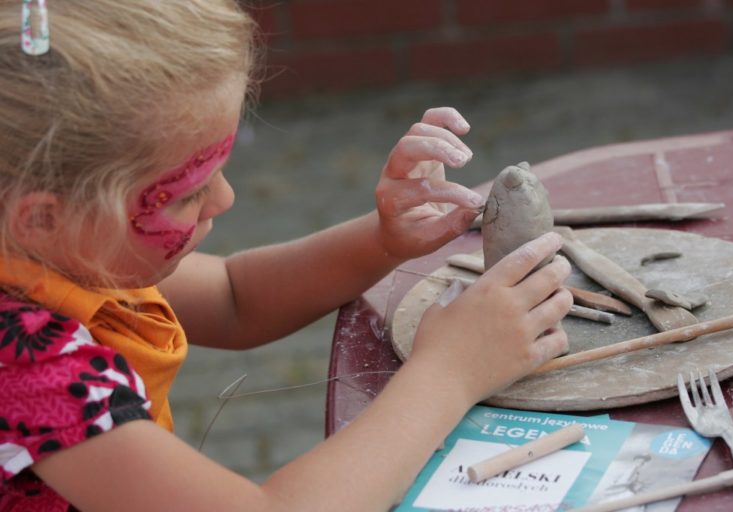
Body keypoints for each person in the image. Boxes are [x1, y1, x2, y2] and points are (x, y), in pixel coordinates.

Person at [0, 1, 573, 510]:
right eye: (188, 192)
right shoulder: (25, 368)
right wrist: (450, 372)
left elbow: (234, 298)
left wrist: (384, 239)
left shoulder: (55, 256)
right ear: (43, 216)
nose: (225, 199)